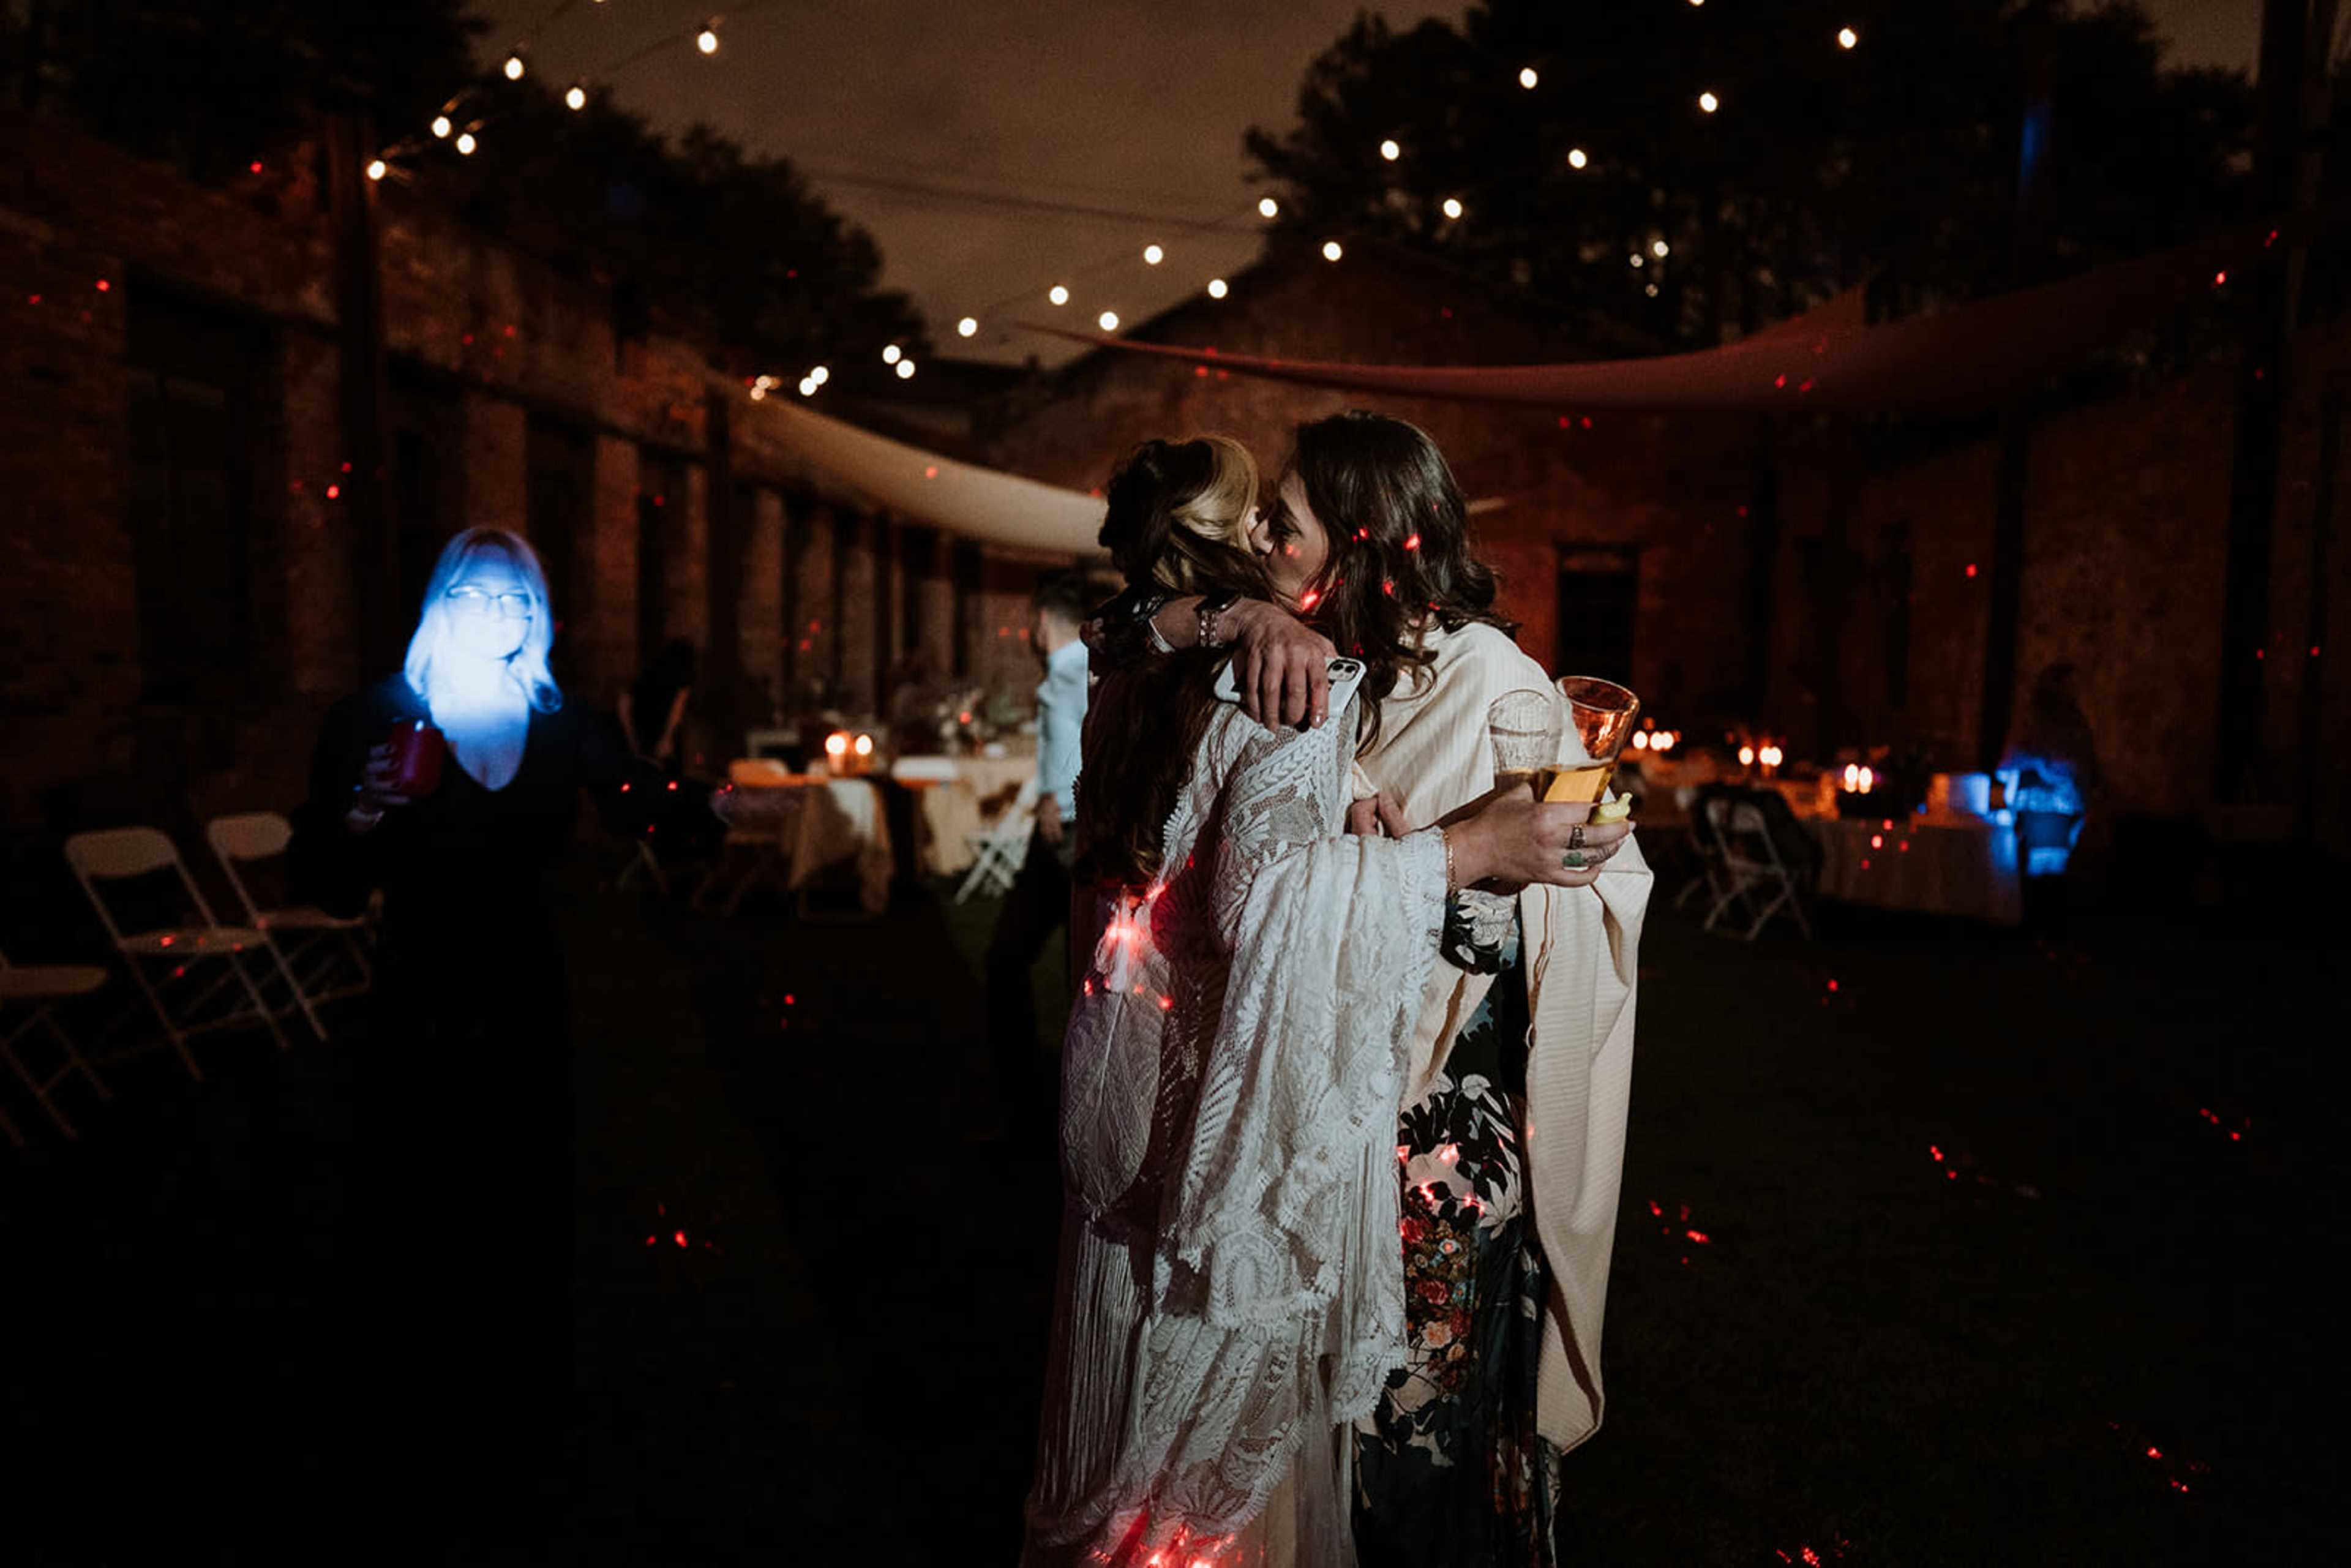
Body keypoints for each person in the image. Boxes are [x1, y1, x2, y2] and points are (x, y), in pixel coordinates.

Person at [1023, 436, 1627, 1566]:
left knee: (1417, 1439)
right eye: (1255, 524)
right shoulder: (1288, 654)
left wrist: (1481, 858)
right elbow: (1126, 631)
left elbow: (1525, 926)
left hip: (1431, 1115)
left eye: (1282, 525)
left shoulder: (1487, 679)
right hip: (1295, 1102)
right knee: (1329, 1448)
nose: (1261, 543)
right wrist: (1237, 619)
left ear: (1360, 547)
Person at [290, 527, 730, 1550]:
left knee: (521, 1190)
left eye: (518, 601)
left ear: (539, 619)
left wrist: (706, 806)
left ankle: (523, 1414)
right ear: (442, 601)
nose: (501, 617)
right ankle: (406, 1407)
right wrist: (362, 812)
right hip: (416, 983)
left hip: (525, 985)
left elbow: (631, 795)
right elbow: (322, 877)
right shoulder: (375, 717)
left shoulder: (556, 717)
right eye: (481, 596)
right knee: (413, 1189)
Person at [981, 573, 1095, 1148]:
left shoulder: (1073, 669)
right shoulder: (1079, 666)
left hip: (1064, 831)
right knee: (1069, 963)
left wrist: (1055, 792)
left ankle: (1029, 1082)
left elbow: (1078, 729)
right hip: (1066, 830)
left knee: (1017, 957)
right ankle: (1054, 1081)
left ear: (1044, 622)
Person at [619, 636, 698, 776]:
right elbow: (677, 709)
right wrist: (667, 738)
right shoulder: (682, 676)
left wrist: (632, 740)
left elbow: (624, 704)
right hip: (656, 735)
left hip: (641, 732)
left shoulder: (647, 673)